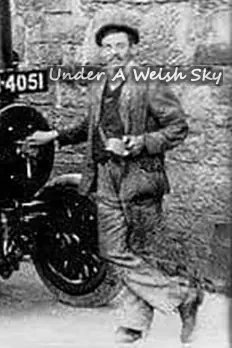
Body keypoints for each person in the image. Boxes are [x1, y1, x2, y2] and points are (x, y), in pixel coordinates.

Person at [25, 23, 203, 345]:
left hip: (139, 177)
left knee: (141, 250)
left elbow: (177, 128)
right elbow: (90, 126)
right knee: (113, 250)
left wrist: (139, 143)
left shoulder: (149, 82)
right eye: (107, 47)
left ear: (133, 48)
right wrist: (54, 136)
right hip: (105, 176)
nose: (113, 53)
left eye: (120, 46)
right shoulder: (99, 83)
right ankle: (183, 295)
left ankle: (134, 324)